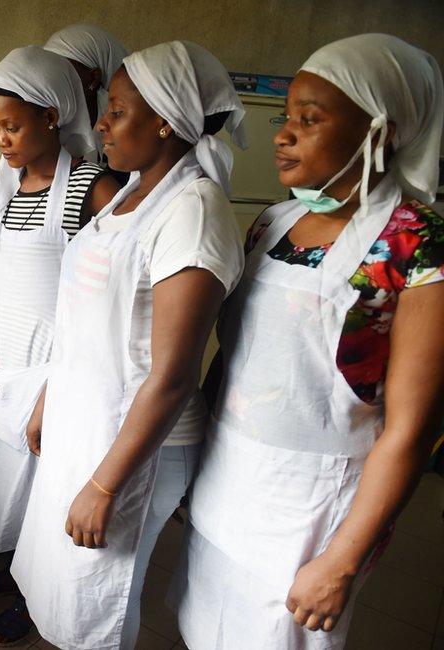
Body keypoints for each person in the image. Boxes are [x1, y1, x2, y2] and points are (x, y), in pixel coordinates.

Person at [171, 33, 444, 649]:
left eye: (309, 119)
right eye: (287, 116)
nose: (283, 134)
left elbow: (411, 430)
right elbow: (233, 355)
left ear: (383, 132)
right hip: (228, 477)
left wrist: (342, 560)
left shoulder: (417, 245)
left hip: (313, 509)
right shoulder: (275, 221)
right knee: (205, 626)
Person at [10, 41, 246, 649]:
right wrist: (48, 402)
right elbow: (88, 321)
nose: (103, 124)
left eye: (117, 110)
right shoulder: (131, 192)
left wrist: (106, 485)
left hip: (134, 445)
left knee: (100, 597)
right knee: (66, 582)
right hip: (86, 424)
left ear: (165, 119)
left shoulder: (192, 210)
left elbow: (172, 374)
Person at [0, 45, 123, 646]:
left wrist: (56, 391)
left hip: (59, 374)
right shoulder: (7, 183)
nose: (1, 139)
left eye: (13, 126)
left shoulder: (94, 188)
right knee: (9, 488)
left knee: (50, 496)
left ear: (53, 117)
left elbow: (102, 306)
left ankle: (37, 604)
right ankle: (13, 574)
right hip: (8, 365)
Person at [44, 22, 128, 172]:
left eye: (66, 76)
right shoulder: (47, 127)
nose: (55, 85)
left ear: (93, 78)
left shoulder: (127, 138)